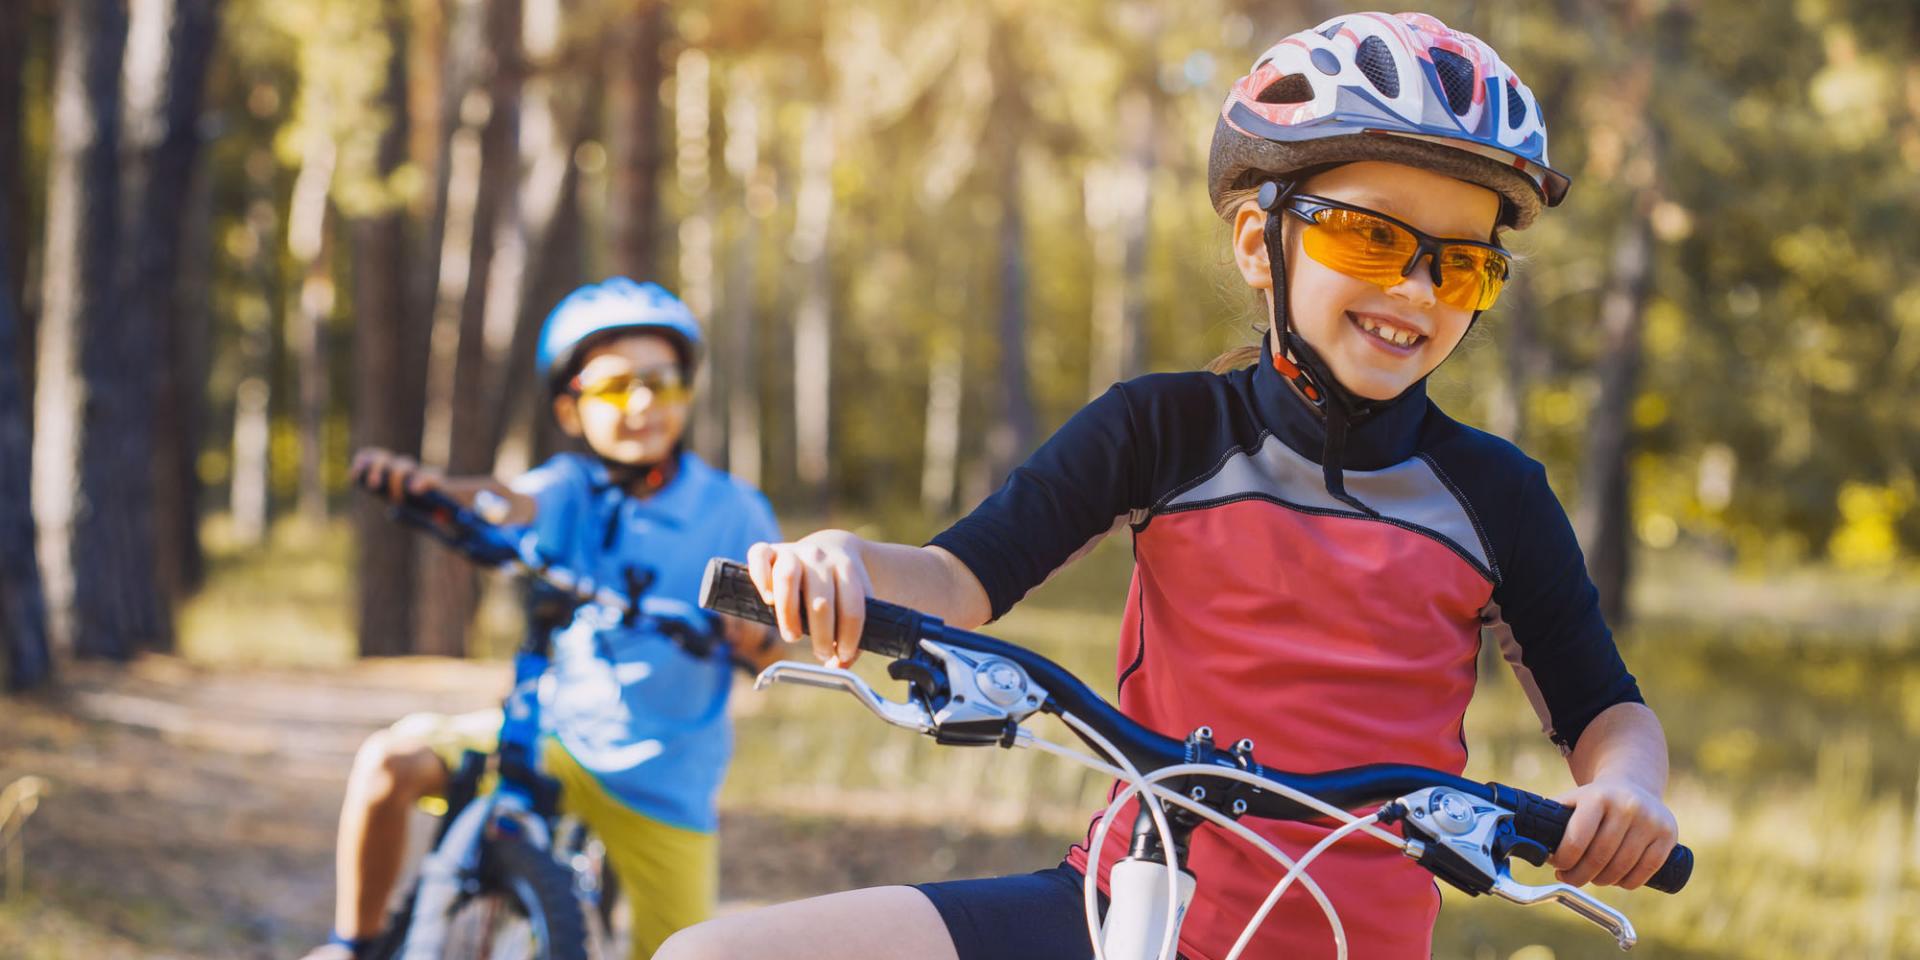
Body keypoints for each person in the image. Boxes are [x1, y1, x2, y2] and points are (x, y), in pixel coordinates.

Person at [656, 12, 1678, 960]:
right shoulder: (1164, 429)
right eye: (1370, 237)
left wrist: (1627, 791)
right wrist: (840, 564)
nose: (1413, 287)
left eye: (1458, 267)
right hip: (1119, 911)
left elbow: (1606, 712)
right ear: (1257, 244)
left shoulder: (1492, 495)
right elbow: (954, 579)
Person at [301, 278, 783, 960]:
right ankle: (350, 944)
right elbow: (503, 501)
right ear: (570, 407)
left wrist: (755, 639)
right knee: (388, 764)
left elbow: (778, 646)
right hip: (560, 740)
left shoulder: (734, 511)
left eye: (662, 382)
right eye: (616, 388)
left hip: (666, 784)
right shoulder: (569, 490)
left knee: (691, 950)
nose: (643, 403)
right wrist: (433, 490)